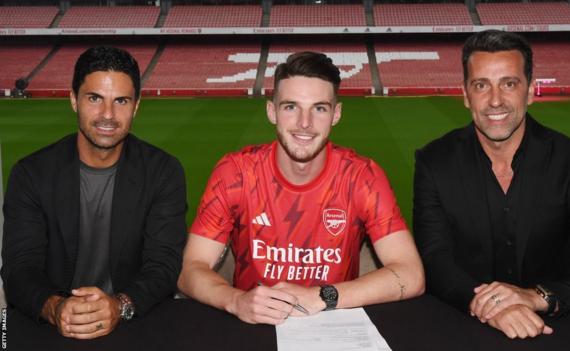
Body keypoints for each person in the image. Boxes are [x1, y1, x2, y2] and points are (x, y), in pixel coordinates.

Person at [178, 51, 425, 325]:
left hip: (334, 323)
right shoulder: (236, 173)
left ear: (336, 114)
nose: (304, 123)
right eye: (291, 107)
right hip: (254, 325)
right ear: (272, 111)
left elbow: (411, 274)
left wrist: (322, 296)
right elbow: (190, 270)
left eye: (319, 108)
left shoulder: (361, 176)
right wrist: (236, 300)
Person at [413, 29, 570, 339]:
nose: (495, 100)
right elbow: (434, 261)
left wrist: (533, 297)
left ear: (531, 91)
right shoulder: (434, 162)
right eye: (481, 85)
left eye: (509, 84)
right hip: (465, 323)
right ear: (465, 95)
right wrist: (493, 305)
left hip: (557, 327)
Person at [1, 46, 187, 339]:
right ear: (74, 100)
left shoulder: (164, 172)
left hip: (134, 320)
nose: (108, 115)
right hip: (53, 325)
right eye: (94, 98)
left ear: (136, 106)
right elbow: (19, 268)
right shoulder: (30, 174)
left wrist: (120, 305)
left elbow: (163, 264)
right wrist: (56, 307)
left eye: (121, 101)